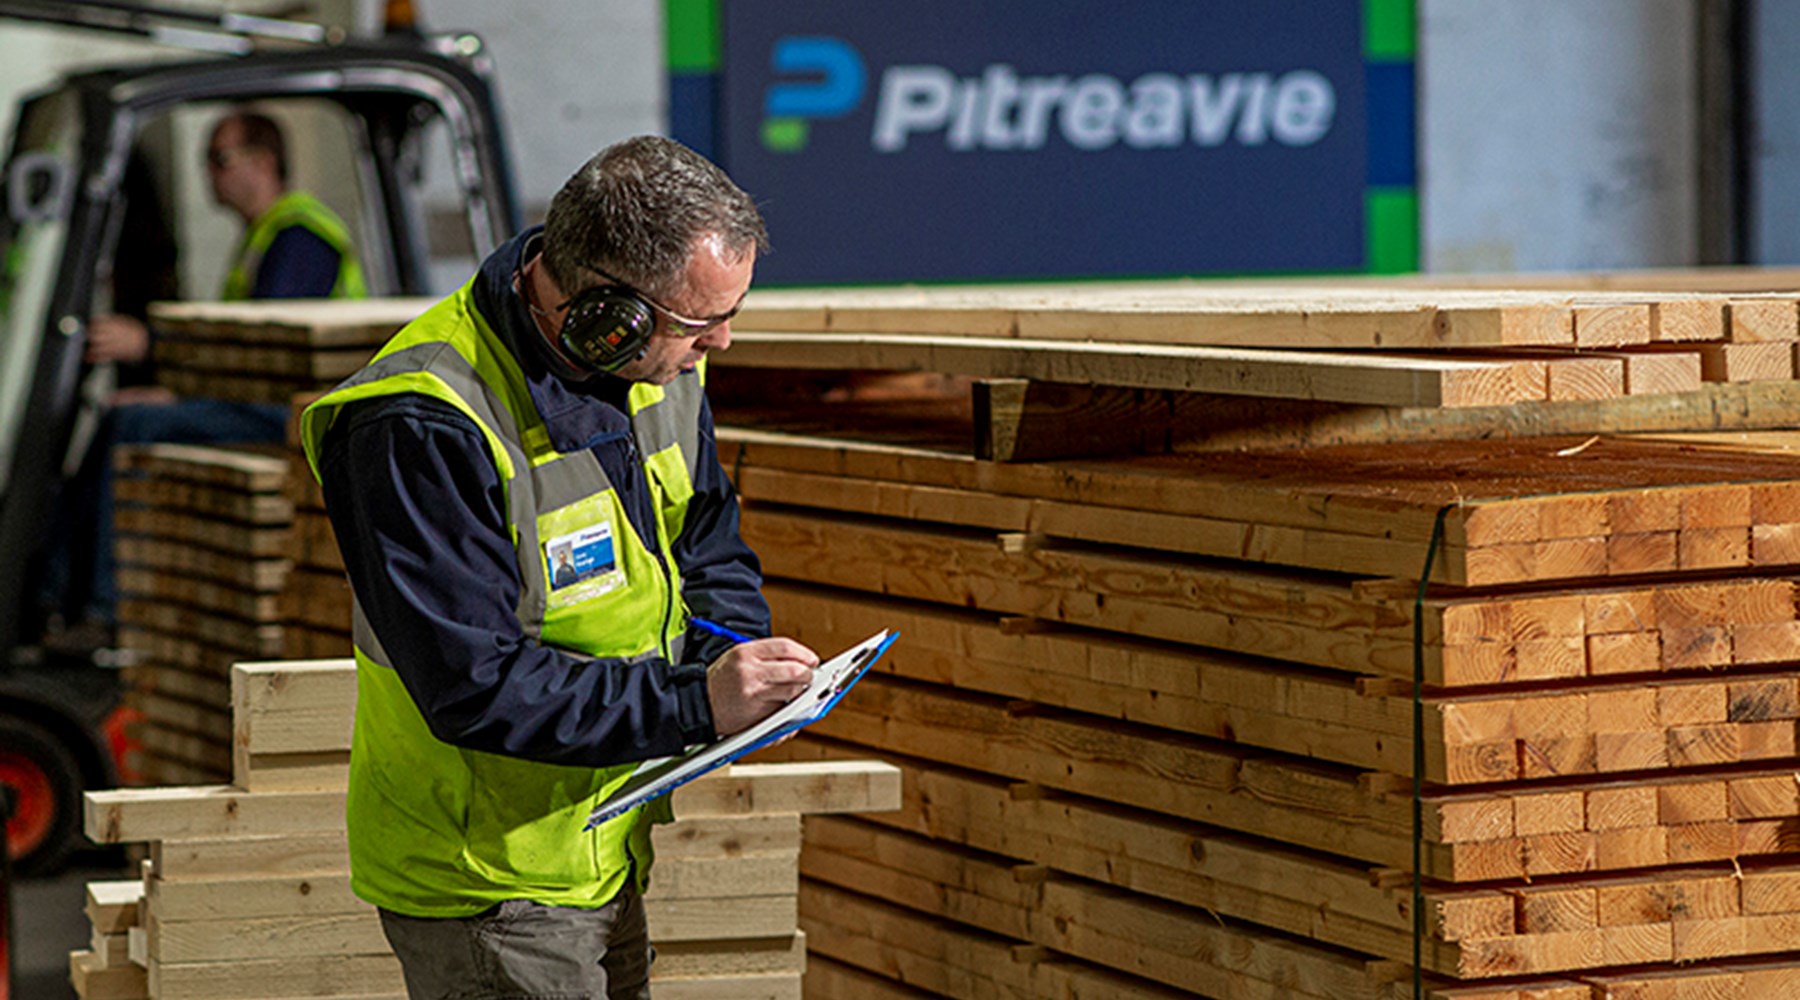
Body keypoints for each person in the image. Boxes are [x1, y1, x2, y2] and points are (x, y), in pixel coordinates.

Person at [298, 135, 818, 1000]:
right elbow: (474, 684)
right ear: (603, 315)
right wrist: (695, 703)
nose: (721, 342)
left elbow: (704, 538)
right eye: (701, 321)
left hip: (602, 840)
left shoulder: (659, 367)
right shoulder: (421, 422)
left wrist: (735, 659)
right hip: (488, 880)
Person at [42, 109, 366, 650]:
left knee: (134, 421)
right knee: (123, 413)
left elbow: (266, 346)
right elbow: (237, 351)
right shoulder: (263, 239)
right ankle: (55, 592)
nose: (208, 175)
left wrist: (152, 346)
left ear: (263, 163)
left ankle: (102, 612)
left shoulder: (301, 236)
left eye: (219, 159)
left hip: (299, 412)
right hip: (267, 401)